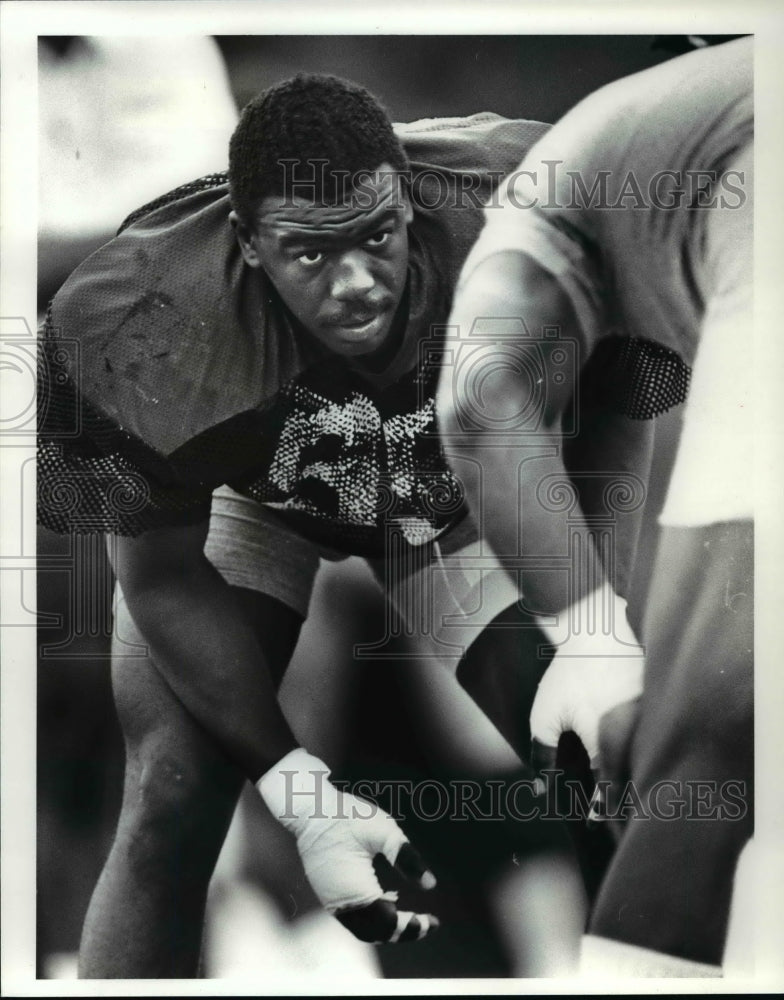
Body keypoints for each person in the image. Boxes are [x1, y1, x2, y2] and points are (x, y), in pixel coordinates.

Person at [38, 74, 653, 978]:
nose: (359, 280)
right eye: (311, 255)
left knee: (613, 750)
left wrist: (594, 626)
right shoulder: (135, 317)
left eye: (377, 235)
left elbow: (627, 380)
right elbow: (162, 578)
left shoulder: (528, 199)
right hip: (255, 498)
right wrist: (300, 793)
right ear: (248, 243)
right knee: (173, 793)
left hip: (450, 480)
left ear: (406, 197)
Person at [437, 37, 753, 976]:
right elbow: (613, 417)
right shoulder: (659, 173)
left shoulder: (553, 191)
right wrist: (598, 631)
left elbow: (475, 400)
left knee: (709, 751)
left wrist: (591, 641)